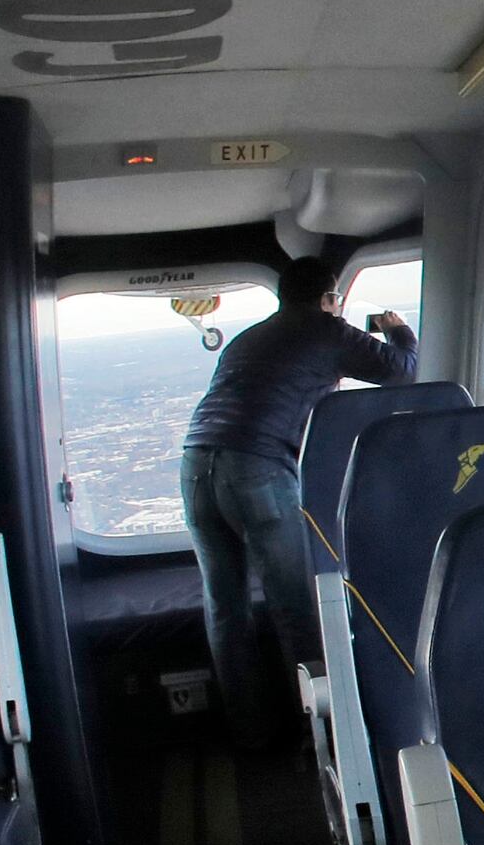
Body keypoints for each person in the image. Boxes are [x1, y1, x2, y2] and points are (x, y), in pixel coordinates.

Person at [176, 249, 415, 745]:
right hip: (256, 467)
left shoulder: (248, 338)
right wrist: (397, 329)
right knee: (295, 607)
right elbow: (400, 370)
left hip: (196, 463)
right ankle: (322, 737)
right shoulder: (325, 329)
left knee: (225, 607)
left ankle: (251, 735)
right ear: (330, 297)